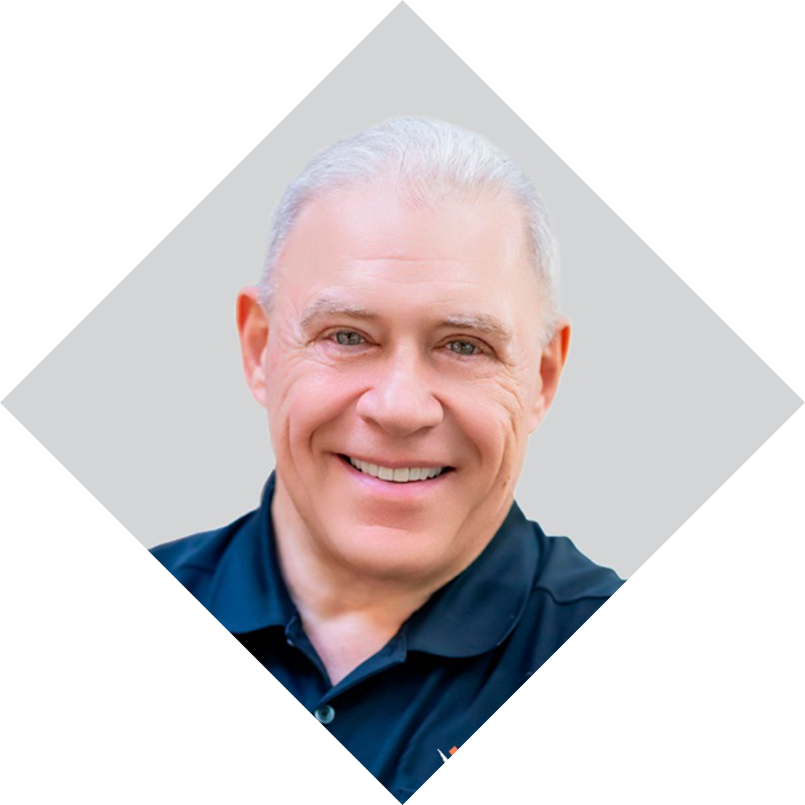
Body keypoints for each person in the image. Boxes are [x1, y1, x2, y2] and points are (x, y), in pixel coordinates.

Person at [147, 118, 639, 804]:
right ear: (260, 350)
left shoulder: (641, 676)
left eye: (463, 345)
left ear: (542, 377)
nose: (400, 407)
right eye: (346, 335)